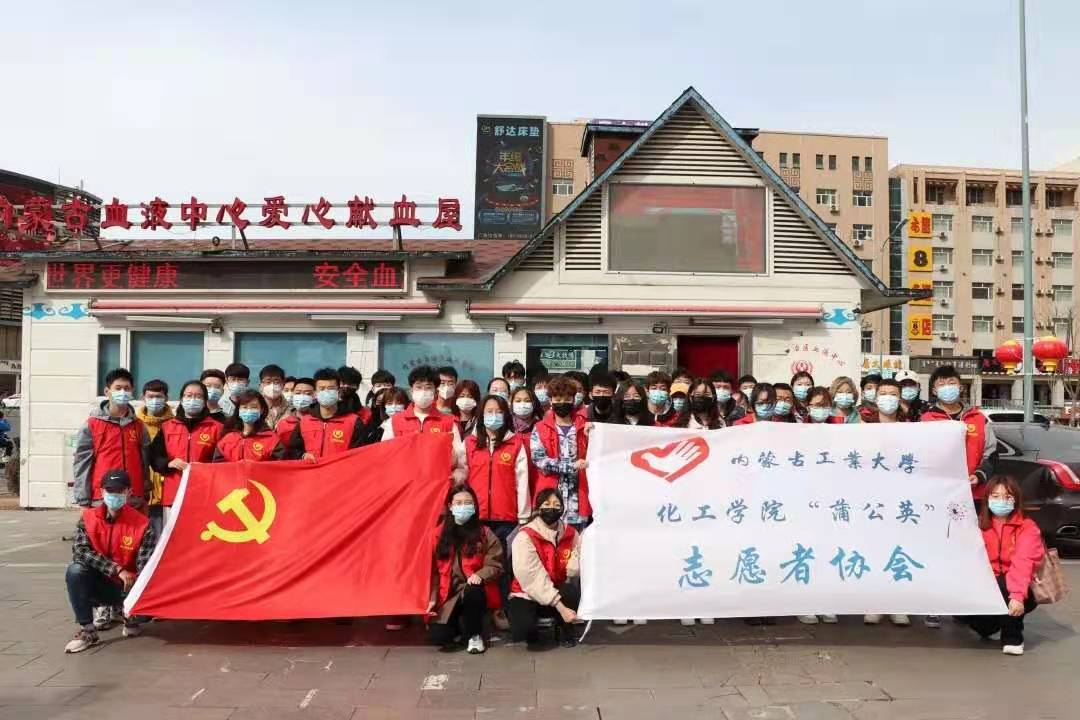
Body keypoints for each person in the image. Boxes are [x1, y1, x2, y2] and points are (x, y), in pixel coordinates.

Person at [64, 469, 157, 653]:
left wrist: (135, 599)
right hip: (97, 583)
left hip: (125, 588)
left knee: (144, 606)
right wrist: (116, 569)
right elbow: (80, 551)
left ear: (129, 492)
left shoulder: (142, 524)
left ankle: (128, 614)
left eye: (119, 491)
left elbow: (145, 566)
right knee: (75, 571)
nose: (114, 495)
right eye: (110, 490)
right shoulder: (88, 518)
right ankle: (88, 630)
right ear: (102, 492)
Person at [967, 476, 1044, 655]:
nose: (1001, 501)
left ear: (1016, 500)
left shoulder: (1027, 527)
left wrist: (1017, 596)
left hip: (1020, 587)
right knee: (982, 626)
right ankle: (991, 622)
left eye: (1007, 496)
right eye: (995, 496)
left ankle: (1012, 636)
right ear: (987, 499)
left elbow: (1023, 562)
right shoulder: (978, 524)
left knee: (1004, 586)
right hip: (986, 582)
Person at [428, 486, 504, 654]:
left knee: (473, 590)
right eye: (459, 503)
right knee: (439, 637)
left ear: (475, 506)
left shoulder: (484, 533)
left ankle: (475, 636)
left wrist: (480, 575)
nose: (463, 506)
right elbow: (432, 571)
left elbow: (495, 564)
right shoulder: (437, 535)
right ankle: (460, 624)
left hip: (475, 591)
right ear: (450, 506)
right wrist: (432, 598)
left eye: (468, 503)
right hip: (448, 594)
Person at [508, 489, 582, 648]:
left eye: (556, 505)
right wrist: (561, 608)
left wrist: (575, 565)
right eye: (546, 504)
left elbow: (579, 557)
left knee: (571, 592)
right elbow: (533, 578)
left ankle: (565, 629)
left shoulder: (571, 534)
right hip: (527, 593)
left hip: (557, 588)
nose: (551, 508)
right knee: (523, 630)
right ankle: (537, 627)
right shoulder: (525, 536)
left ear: (562, 508)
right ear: (538, 508)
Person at [73, 368, 152, 510]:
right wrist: (83, 499)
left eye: (126, 388)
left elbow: (145, 463)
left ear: (132, 391)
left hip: (134, 498)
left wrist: (145, 491)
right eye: (118, 388)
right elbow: (82, 463)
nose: (123, 392)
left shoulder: (139, 426)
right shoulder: (92, 424)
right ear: (107, 391)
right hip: (103, 498)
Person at [148, 380, 224, 522]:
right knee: (173, 534)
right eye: (189, 395)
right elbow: (154, 455)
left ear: (205, 401)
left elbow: (222, 461)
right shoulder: (167, 426)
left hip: (204, 494)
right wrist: (168, 463)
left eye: (198, 396)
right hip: (173, 495)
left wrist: (205, 469)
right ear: (182, 399)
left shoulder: (217, 428)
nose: (193, 400)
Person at [921, 365, 997, 499]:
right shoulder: (925, 420)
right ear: (934, 391)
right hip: (938, 494)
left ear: (961, 388)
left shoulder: (978, 419)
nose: (947, 387)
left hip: (973, 493)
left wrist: (979, 475)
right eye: (941, 384)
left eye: (951, 383)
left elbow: (991, 454)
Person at [530, 376, 591, 531]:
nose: (562, 402)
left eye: (567, 399)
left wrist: (593, 433)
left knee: (576, 542)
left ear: (573, 399)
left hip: (579, 499)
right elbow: (539, 460)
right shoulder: (540, 427)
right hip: (550, 499)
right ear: (550, 400)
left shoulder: (586, 426)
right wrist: (571, 466)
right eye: (558, 399)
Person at [287, 368, 372, 461]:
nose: (326, 392)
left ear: (338, 391)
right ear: (315, 393)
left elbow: (360, 455)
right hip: (312, 470)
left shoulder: (353, 421)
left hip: (340, 470)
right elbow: (293, 450)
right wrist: (303, 456)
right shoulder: (305, 421)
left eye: (331, 388)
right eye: (322, 389)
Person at [136, 379, 173, 537]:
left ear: (166, 398)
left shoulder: (174, 424)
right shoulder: (135, 424)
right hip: (142, 488)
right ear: (142, 397)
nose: (154, 400)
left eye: (159, 396)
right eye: (150, 396)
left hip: (168, 487)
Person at [214, 390, 286, 462]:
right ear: (238, 410)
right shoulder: (227, 439)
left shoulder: (272, 440)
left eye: (254, 407)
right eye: (244, 407)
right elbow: (217, 466)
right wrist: (236, 466)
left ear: (261, 410)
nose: (249, 410)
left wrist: (254, 466)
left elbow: (279, 466)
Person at [276, 377, 314, 445]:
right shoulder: (283, 423)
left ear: (315, 395)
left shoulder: (321, 421)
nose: (302, 397)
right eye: (298, 393)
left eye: (307, 394)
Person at [258, 364, 290, 430]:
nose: (272, 385)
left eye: (276, 382)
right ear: (261, 385)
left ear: (283, 384)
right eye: (268, 382)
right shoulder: (255, 407)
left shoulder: (292, 409)